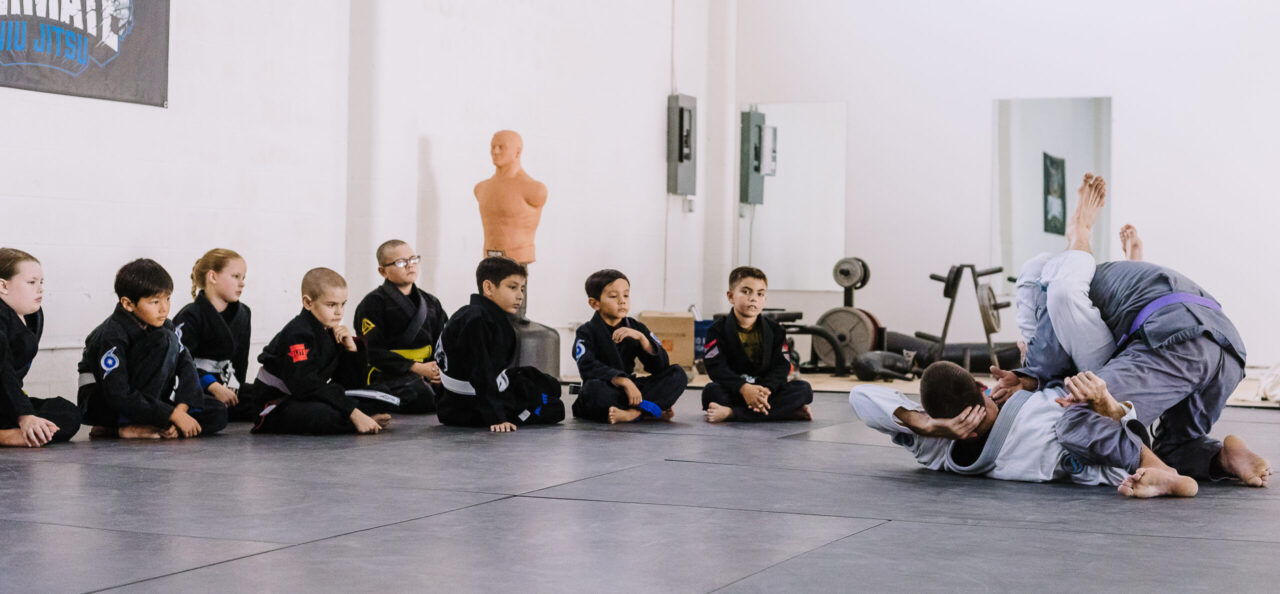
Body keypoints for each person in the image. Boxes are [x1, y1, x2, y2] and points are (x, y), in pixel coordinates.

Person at [995, 173, 1269, 487]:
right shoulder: (1111, 280)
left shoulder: (1060, 289)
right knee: (1176, 443)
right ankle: (1224, 458)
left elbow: (1051, 347)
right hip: (1227, 349)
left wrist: (1030, 374)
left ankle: (1160, 473)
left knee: (1077, 421)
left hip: (1176, 344)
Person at [850, 362, 1199, 498]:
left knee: (1076, 416)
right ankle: (1162, 468)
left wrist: (923, 424)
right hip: (1122, 456)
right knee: (1076, 410)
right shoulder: (1030, 410)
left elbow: (860, 395)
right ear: (979, 385)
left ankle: (1212, 460)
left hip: (1110, 466)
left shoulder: (933, 446)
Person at [78, 259, 227, 439]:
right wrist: (171, 415)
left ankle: (160, 424)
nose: (164, 309)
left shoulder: (165, 326)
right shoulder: (111, 334)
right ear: (128, 304)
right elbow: (116, 393)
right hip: (105, 403)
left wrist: (181, 410)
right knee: (164, 339)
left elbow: (187, 366)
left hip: (148, 401)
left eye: (168, 299)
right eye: (155, 302)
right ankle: (122, 428)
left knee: (218, 412)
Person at [251, 268, 390, 435]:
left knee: (382, 395)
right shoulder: (297, 333)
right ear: (308, 303)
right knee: (323, 415)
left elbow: (349, 384)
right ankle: (356, 421)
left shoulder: (331, 331)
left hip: (306, 397)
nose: (339, 312)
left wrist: (351, 350)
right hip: (277, 403)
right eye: (331, 305)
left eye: (343, 304)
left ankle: (357, 418)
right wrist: (353, 412)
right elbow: (305, 385)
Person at [434, 257, 564, 432]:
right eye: (512, 287)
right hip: (468, 406)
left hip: (472, 394)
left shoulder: (481, 315)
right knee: (555, 408)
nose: (520, 296)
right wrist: (497, 417)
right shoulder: (476, 319)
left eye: (522, 289)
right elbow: (481, 371)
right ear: (488, 287)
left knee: (547, 383)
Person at [571, 269, 687, 424]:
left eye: (626, 295)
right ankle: (651, 410)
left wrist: (642, 340)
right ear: (594, 303)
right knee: (593, 389)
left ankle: (632, 413)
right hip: (608, 387)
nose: (622, 301)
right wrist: (623, 381)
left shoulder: (636, 328)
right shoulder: (586, 332)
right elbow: (587, 366)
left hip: (633, 391)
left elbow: (661, 367)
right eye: (613, 296)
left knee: (677, 374)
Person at [702, 266, 813, 423]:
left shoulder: (776, 330)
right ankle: (784, 412)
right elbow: (716, 367)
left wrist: (766, 390)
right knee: (711, 392)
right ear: (730, 296)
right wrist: (744, 388)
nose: (753, 298)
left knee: (803, 389)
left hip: (766, 390)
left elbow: (782, 366)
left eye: (760, 294)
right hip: (736, 389)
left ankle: (732, 413)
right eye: (746, 292)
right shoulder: (717, 330)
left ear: (765, 299)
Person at [353, 240, 447, 414]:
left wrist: (436, 370)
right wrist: (415, 367)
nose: (410, 266)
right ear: (383, 271)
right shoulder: (372, 304)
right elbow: (372, 351)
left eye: (413, 259)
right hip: (389, 373)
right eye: (401, 262)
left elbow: (443, 341)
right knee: (420, 394)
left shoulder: (431, 302)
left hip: (427, 371)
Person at [0, 248, 81, 446]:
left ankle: (20, 431)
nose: (40, 289)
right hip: (4, 390)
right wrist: (24, 415)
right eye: (31, 282)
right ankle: (4, 436)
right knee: (35, 421)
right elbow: (3, 370)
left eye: (41, 282)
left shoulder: (33, 314)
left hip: (5, 400)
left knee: (68, 413)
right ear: (3, 286)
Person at [174, 249, 255, 422]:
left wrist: (235, 386)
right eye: (235, 276)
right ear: (213, 277)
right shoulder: (190, 315)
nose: (242, 284)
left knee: (262, 398)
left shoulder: (244, 313)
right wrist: (211, 385)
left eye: (243, 278)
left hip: (226, 384)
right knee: (216, 412)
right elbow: (178, 363)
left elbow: (241, 360)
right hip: (197, 385)